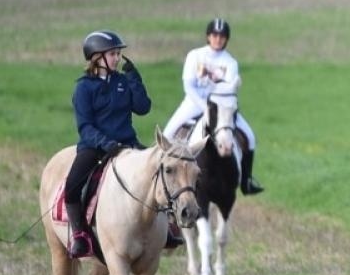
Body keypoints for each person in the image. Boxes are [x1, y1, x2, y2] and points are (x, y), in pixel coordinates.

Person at [65, 30, 173, 258]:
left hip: (127, 143)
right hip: (94, 146)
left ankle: (167, 229)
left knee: (161, 171)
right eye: (112, 54)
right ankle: (80, 235)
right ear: (97, 58)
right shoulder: (83, 88)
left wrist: (134, 78)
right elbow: (85, 126)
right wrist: (105, 143)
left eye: (117, 54)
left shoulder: (122, 82)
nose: (117, 58)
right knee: (72, 187)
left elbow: (143, 107)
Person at [162, 18, 263, 195]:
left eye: (222, 36)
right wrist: (204, 107)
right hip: (193, 103)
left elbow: (228, 90)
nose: (218, 39)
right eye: (214, 35)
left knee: (250, 137)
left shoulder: (230, 63)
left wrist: (215, 108)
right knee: (167, 135)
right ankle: (159, 178)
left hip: (222, 108)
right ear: (208, 36)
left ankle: (246, 181)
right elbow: (189, 86)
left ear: (226, 39)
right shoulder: (195, 55)